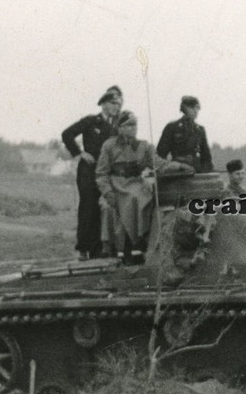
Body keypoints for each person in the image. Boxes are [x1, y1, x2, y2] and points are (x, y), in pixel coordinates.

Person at [62, 87, 123, 259]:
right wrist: (79, 153)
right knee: (87, 209)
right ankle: (82, 249)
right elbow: (67, 134)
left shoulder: (115, 127)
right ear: (103, 104)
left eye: (118, 104)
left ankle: (96, 250)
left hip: (105, 174)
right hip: (88, 171)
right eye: (112, 103)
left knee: (101, 210)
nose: (116, 107)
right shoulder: (90, 121)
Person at [97, 110, 159, 264]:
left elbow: (158, 163)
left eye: (135, 125)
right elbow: (101, 173)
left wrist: (177, 166)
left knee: (140, 199)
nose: (133, 128)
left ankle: (137, 245)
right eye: (129, 125)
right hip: (115, 185)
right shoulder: (109, 145)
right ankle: (114, 248)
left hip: (136, 183)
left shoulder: (143, 146)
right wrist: (107, 192)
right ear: (120, 128)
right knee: (107, 207)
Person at [156, 95, 213, 173]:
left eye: (197, 108)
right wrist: (175, 166)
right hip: (178, 174)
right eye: (192, 107)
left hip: (196, 174)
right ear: (185, 108)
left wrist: (204, 171)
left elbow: (206, 158)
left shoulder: (200, 130)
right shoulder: (172, 127)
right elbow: (160, 154)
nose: (196, 111)